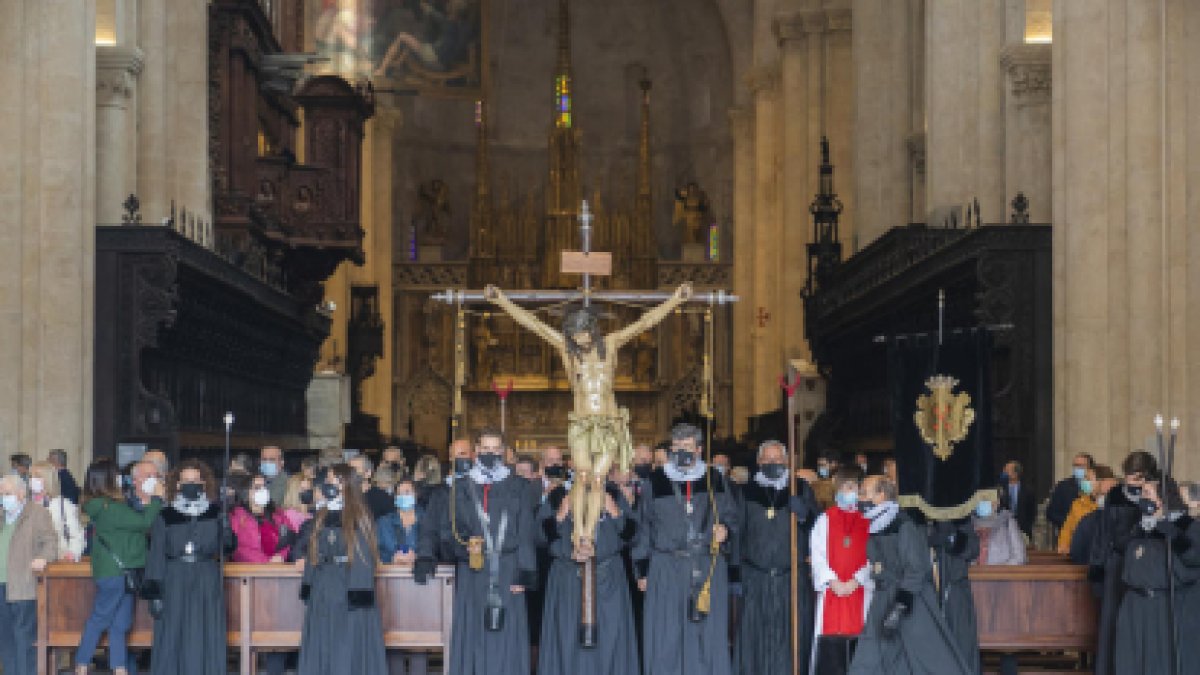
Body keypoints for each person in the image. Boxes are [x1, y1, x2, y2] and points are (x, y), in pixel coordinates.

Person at [414, 428, 538, 675]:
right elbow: (442, 529)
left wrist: (524, 572)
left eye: (495, 450)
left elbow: (526, 530)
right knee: (474, 631)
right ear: (476, 451)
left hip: (508, 567)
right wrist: (461, 548)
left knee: (506, 635)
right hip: (473, 567)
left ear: (503, 452)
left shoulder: (520, 486)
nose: (490, 454)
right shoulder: (458, 488)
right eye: (485, 449)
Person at [631, 423, 739, 675]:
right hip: (666, 566)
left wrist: (725, 531)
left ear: (699, 450)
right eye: (677, 448)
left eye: (687, 447)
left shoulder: (715, 479)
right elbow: (643, 526)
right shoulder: (655, 481)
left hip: (706, 566)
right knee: (666, 635)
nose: (681, 452)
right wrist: (642, 570)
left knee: (706, 636)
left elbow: (732, 519)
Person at [848, 475, 972, 675]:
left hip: (909, 601)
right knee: (869, 656)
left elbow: (916, 568)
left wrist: (899, 606)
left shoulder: (903, 525)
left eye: (864, 492)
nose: (860, 498)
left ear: (881, 495)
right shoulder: (876, 526)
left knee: (924, 658)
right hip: (882, 599)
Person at [537, 474, 638, 675]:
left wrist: (615, 512)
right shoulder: (558, 495)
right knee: (566, 640)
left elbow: (633, 537)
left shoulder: (614, 495)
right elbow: (539, 539)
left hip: (607, 578)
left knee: (610, 639)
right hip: (567, 578)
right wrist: (560, 514)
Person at [734, 440, 819, 675]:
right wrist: (736, 574)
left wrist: (803, 516)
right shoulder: (746, 491)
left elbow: (819, 530)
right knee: (755, 636)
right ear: (759, 462)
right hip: (756, 577)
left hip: (790, 577)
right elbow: (737, 531)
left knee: (791, 636)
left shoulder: (800, 488)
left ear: (787, 462)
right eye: (768, 460)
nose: (773, 463)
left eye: (778, 459)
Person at [295, 463, 387, 674]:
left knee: (345, 647)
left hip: (347, 589)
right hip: (322, 588)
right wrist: (308, 584)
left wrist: (358, 593)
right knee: (322, 644)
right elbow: (312, 550)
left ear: (347, 484)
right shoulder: (321, 515)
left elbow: (364, 556)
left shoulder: (359, 515)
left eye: (335, 480)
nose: (330, 484)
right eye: (328, 480)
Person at [141, 460, 230, 675]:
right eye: (186, 480)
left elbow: (227, 547)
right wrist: (155, 593)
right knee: (173, 633)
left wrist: (226, 529)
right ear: (178, 484)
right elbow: (157, 554)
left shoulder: (215, 513)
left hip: (205, 577)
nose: (191, 484)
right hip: (175, 578)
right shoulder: (166, 516)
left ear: (203, 483)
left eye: (195, 480)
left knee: (205, 632)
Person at [75, 458, 162, 675]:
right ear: (107, 480)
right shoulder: (107, 507)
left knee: (121, 622)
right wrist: (157, 499)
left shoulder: (108, 506)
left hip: (123, 571)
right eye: (116, 475)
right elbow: (143, 522)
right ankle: (82, 663)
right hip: (115, 572)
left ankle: (119, 666)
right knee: (101, 617)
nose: (120, 479)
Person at [1112, 477, 1199, 674]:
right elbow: (1120, 546)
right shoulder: (1139, 525)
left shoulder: (1186, 525)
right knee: (1131, 661)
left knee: (1160, 663)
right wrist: (1144, 524)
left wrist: (1166, 527)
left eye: (1147, 493)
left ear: (1163, 499)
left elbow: (1193, 557)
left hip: (1165, 604)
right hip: (1135, 603)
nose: (1142, 498)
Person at [1088, 450, 1159, 675]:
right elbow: (1103, 532)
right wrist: (1097, 567)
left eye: (1137, 478)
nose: (1132, 483)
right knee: (1112, 624)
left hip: (1149, 565)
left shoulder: (1160, 491)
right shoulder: (1116, 494)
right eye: (1129, 476)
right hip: (1118, 566)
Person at [809, 467, 870, 674]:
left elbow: (875, 556)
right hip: (832, 592)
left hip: (860, 590)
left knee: (862, 648)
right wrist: (832, 581)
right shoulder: (824, 519)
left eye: (853, 487)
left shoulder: (869, 520)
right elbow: (817, 554)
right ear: (837, 490)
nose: (849, 492)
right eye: (845, 487)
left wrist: (857, 580)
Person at [0, 472, 57, 675]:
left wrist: (43, 557)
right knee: (5, 640)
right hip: (2, 585)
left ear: (21, 493)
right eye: (1, 494)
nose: (3, 498)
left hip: (23, 585)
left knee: (24, 641)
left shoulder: (37, 513)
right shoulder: (2, 515)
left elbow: (50, 542)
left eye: (7, 493)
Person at [928, 517, 980, 673]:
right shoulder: (920, 518)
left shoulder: (961, 519)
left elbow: (972, 550)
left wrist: (952, 536)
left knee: (961, 645)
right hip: (928, 593)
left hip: (955, 591)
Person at [230, 472, 295, 563]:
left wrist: (281, 556)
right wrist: (266, 561)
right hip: (248, 571)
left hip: (278, 569)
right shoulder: (236, 516)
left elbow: (290, 538)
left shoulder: (278, 514)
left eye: (264, 487)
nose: (262, 490)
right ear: (246, 492)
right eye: (257, 488)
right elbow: (236, 548)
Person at [28, 461, 84, 561]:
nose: (32, 480)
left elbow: (76, 535)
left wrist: (72, 553)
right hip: (30, 561)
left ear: (47, 479)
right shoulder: (26, 505)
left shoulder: (63, 505)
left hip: (58, 559)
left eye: (37, 476)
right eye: (31, 476)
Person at [1057, 465, 1114, 554]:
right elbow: (1067, 529)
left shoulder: (1113, 504)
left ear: (1102, 482)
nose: (1084, 482)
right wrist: (1063, 545)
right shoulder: (1078, 503)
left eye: (1088, 479)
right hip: (1078, 553)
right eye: (1084, 479)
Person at [1045, 453, 1095, 538]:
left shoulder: (1095, 486)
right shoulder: (1063, 486)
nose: (1077, 468)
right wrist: (1070, 523)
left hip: (1092, 534)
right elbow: (1051, 512)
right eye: (1075, 465)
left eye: (1081, 466)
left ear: (1090, 468)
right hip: (1068, 536)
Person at [970, 492, 1027, 565]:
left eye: (988, 498)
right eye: (981, 498)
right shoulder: (968, 523)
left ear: (997, 502)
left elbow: (1020, 557)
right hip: (973, 574)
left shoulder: (1007, 522)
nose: (984, 502)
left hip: (1001, 574)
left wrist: (996, 571)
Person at [997, 461, 1036, 539]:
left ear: (1015, 474)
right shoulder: (999, 489)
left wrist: (1027, 525)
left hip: (1022, 530)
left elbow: (1032, 511)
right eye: (1004, 470)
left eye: (1007, 471)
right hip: (1003, 529)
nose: (1004, 473)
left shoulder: (1028, 490)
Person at [352, 455, 396, 519]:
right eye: (349, 469)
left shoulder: (382, 497)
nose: (351, 472)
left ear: (368, 473)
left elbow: (390, 522)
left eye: (355, 469)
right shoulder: (344, 495)